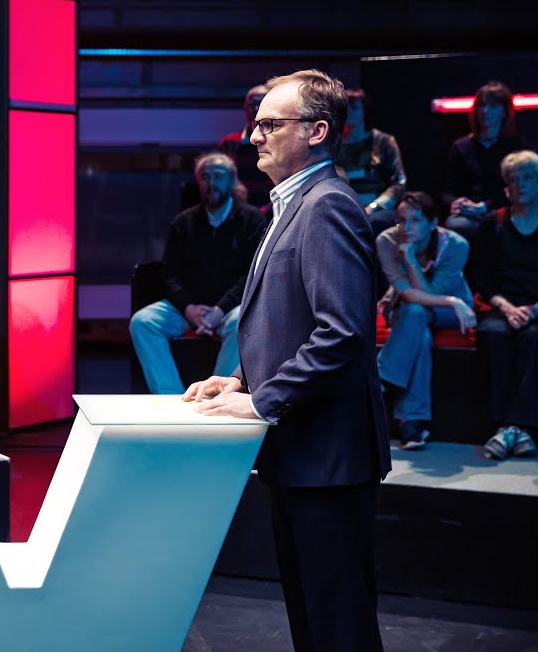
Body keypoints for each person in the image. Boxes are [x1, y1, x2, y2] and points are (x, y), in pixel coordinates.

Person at [182, 69, 391, 651]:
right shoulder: (295, 202)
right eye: (256, 124)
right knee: (314, 622)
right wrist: (239, 378)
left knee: (338, 628)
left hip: (328, 458)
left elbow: (341, 333)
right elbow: (290, 322)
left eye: (270, 124)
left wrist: (262, 401)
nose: (254, 136)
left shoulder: (326, 206)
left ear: (317, 131)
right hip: (305, 453)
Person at [130, 151, 267, 393]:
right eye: (205, 177)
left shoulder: (252, 220)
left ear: (231, 180)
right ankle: (171, 398)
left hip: (228, 309)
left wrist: (219, 310)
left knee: (243, 321)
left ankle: (214, 394)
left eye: (218, 176)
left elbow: (251, 275)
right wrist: (188, 308)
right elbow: (169, 274)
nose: (211, 183)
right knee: (143, 322)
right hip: (190, 308)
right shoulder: (184, 222)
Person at [375, 191, 476, 451]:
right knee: (417, 321)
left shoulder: (456, 245)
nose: (406, 227)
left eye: (416, 220)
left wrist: (452, 302)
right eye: (401, 220)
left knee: (416, 313)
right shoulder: (386, 240)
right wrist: (409, 260)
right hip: (413, 308)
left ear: (432, 223)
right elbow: (408, 294)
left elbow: (432, 295)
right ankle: (412, 420)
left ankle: (377, 381)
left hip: (451, 312)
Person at [471, 150, 538, 461]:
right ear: (506, 188)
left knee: (534, 337)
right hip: (501, 305)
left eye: (527, 178)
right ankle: (511, 428)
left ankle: (513, 426)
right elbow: (482, 279)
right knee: (494, 334)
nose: (520, 185)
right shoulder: (493, 222)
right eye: (514, 179)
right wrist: (508, 308)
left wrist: (533, 310)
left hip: (536, 309)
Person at [441, 80, 530, 243]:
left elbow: (520, 189)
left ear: (504, 112)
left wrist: (483, 207)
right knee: (457, 225)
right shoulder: (461, 146)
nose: (485, 111)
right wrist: (456, 203)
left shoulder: (515, 147)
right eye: (482, 106)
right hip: (468, 212)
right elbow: (448, 189)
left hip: (503, 209)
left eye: (493, 106)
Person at [334, 88, 407, 239]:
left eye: (354, 108)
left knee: (373, 223)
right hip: (343, 205)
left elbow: (398, 183)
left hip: (377, 208)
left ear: (364, 111)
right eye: (344, 108)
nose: (348, 113)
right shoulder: (332, 143)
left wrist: (373, 207)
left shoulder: (384, 141)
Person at [216, 84, 273, 212]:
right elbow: (221, 179)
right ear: (245, 108)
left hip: (274, 209)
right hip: (237, 211)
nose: (256, 108)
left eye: (262, 103)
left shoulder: (280, 140)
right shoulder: (229, 142)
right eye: (252, 104)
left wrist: (268, 209)